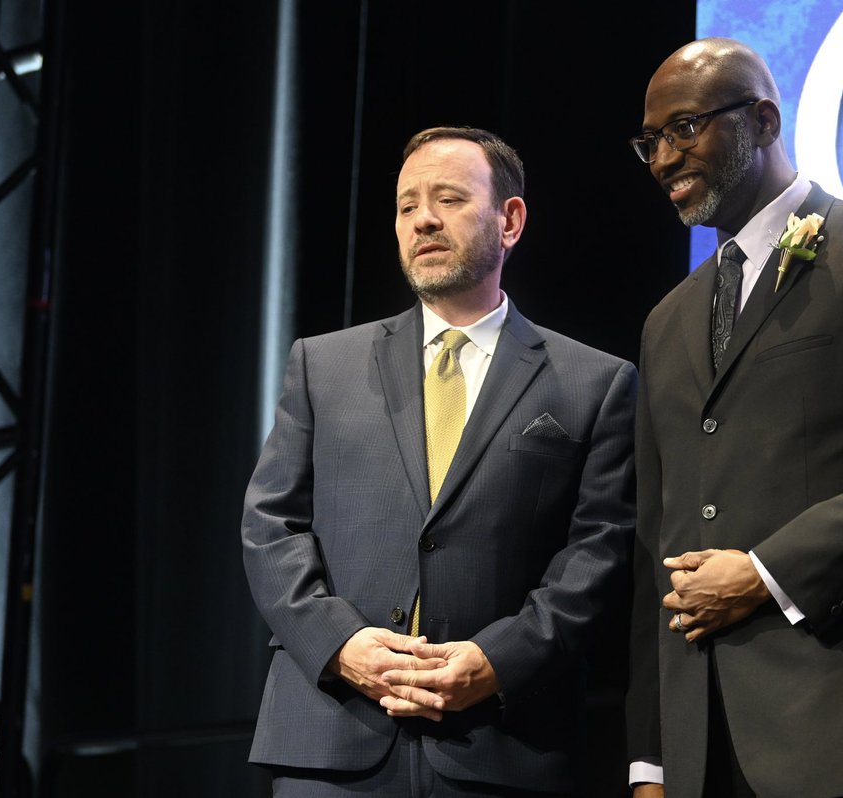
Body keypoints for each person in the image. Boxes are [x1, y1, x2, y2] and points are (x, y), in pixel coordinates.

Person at [625, 38, 843, 798]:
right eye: (650, 141)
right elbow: (659, 541)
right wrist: (653, 760)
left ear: (761, 120)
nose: (663, 159)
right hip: (704, 753)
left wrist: (764, 574)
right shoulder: (667, 321)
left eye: (685, 129)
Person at [242, 125, 636, 796]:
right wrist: (342, 645)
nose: (423, 218)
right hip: (332, 742)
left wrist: (495, 659)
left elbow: (598, 551)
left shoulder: (593, 382)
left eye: (449, 198)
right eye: (406, 205)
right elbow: (270, 527)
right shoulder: (323, 364)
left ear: (509, 220)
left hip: (502, 749)